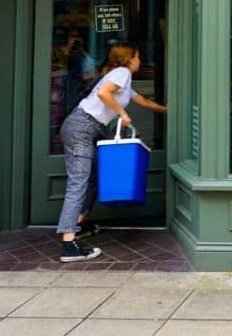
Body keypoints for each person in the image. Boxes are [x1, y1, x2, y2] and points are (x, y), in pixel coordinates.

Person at [56, 42, 167, 262]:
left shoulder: (121, 78)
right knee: (79, 181)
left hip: (87, 128)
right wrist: (122, 114)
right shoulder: (122, 72)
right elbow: (104, 94)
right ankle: (68, 244)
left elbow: (143, 101)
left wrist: (170, 110)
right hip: (82, 127)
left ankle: (78, 223)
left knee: (95, 177)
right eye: (138, 56)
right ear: (129, 59)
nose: (140, 61)